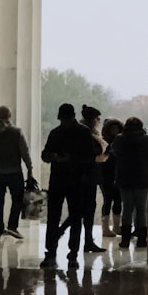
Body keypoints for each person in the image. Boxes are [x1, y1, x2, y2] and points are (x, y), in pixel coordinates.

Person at [40, 103, 101, 269]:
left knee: (57, 218)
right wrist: (59, 157)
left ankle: (55, 253)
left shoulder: (57, 133)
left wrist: (60, 158)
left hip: (62, 180)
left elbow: (45, 155)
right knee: (71, 218)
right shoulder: (82, 133)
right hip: (75, 180)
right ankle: (69, 254)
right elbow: (90, 156)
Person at [0, 106, 34, 240]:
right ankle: (12, 226)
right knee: (17, 199)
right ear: (9, 115)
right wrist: (30, 169)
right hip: (14, 171)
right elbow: (25, 153)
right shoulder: (16, 132)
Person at [58, 105, 107, 252]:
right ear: (93, 120)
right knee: (85, 210)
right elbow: (95, 153)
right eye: (98, 119)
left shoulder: (78, 132)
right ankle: (84, 240)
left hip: (80, 176)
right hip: (87, 177)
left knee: (80, 210)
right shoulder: (87, 134)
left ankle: (65, 233)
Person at [112, 116, 148, 249]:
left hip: (125, 178)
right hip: (143, 178)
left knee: (127, 208)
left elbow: (114, 153)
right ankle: (141, 240)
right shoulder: (147, 140)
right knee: (141, 209)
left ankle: (125, 240)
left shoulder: (120, 139)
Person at [99, 118, 124, 237]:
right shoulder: (104, 143)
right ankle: (105, 228)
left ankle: (116, 227)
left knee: (118, 200)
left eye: (116, 128)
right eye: (112, 128)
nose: (115, 130)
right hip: (106, 175)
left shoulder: (121, 142)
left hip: (118, 174)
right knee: (107, 200)